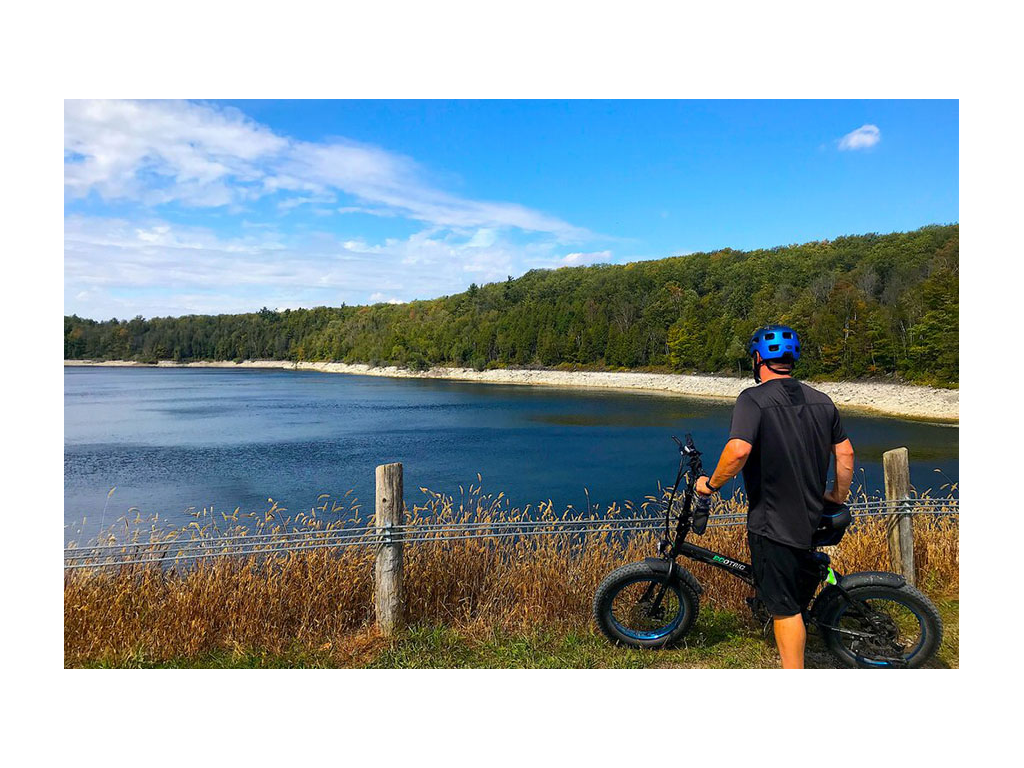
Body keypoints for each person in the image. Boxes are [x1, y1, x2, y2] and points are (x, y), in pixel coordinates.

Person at [695, 325, 855, 669]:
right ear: (791, 360)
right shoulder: (821, 400)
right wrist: (836, 496)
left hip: (774, 522)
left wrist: (710, 485)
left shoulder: (752, 400)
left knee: (786, 609)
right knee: (793, 591)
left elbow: (737, 451)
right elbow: (846, 455)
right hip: (810, 514)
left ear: (757, 359)